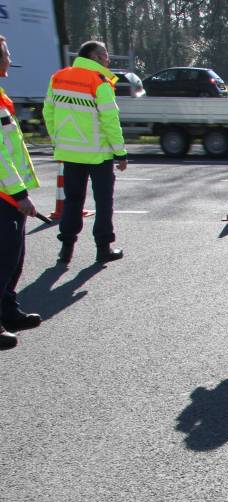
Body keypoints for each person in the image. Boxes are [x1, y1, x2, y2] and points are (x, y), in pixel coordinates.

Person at [43, 40, 127, 265]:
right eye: (105, 55)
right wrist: (120, 153)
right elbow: (110, 120)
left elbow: (48, 112)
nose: (108, 59)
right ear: (95, 58)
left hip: (70, 152)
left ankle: (66, 249)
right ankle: (103, 249)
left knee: (72, 201)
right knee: (103, 202)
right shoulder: (99, 82)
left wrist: (57, 140)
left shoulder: (58, 77)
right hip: (98, 154)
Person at [0, 35, 41, 349]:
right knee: (4, 257)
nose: (9, 60)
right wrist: (19, 193)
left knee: (14, 255)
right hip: (5, 194)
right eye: (6, 53)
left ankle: (8, 310)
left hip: (10, 195)